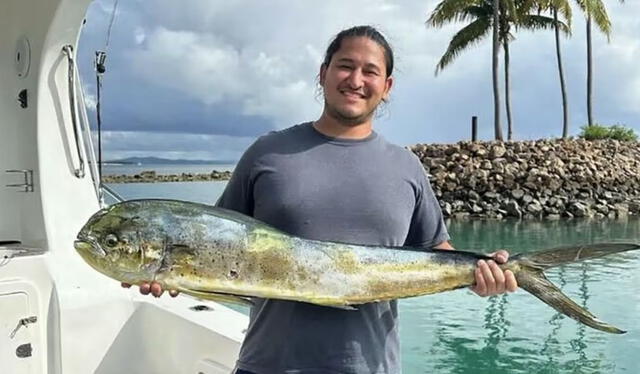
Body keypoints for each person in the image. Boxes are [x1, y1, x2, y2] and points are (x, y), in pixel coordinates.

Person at [124, 25, 517, 373]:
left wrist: (481, 274)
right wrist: (171, 274)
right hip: (267, 365)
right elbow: (212, 244)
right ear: (323, 73)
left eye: (370, 71)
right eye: (345, 65)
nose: (356, 79)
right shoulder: (267, 153)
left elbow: (437, 250)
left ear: (387, 86)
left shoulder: (407, 166)